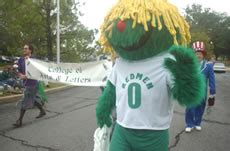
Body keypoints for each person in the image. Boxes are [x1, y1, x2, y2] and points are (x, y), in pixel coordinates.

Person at [185, 41, 216, 132]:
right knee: (190, 108)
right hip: (191, 91)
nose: (198, 55)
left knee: (200, 107)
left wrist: (212, 92)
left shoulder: (208, 66)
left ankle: (197, 123)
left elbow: (212, 79)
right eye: (196, 53)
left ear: (203, 55)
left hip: (202, 92)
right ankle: (189, 124)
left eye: (200, 53)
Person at [13, 44, 46, 127]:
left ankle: (19, 120)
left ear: (30, 50)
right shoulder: (21, 60)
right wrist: (20, 75)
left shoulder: (34, 60)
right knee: (33, 98)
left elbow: (39, 70)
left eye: (26, 48)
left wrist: (30, 63)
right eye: (23, 48)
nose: (24, 50)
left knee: (25, 100)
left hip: (33, 84)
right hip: (25, 83)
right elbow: (18, 71)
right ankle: (42, 111)